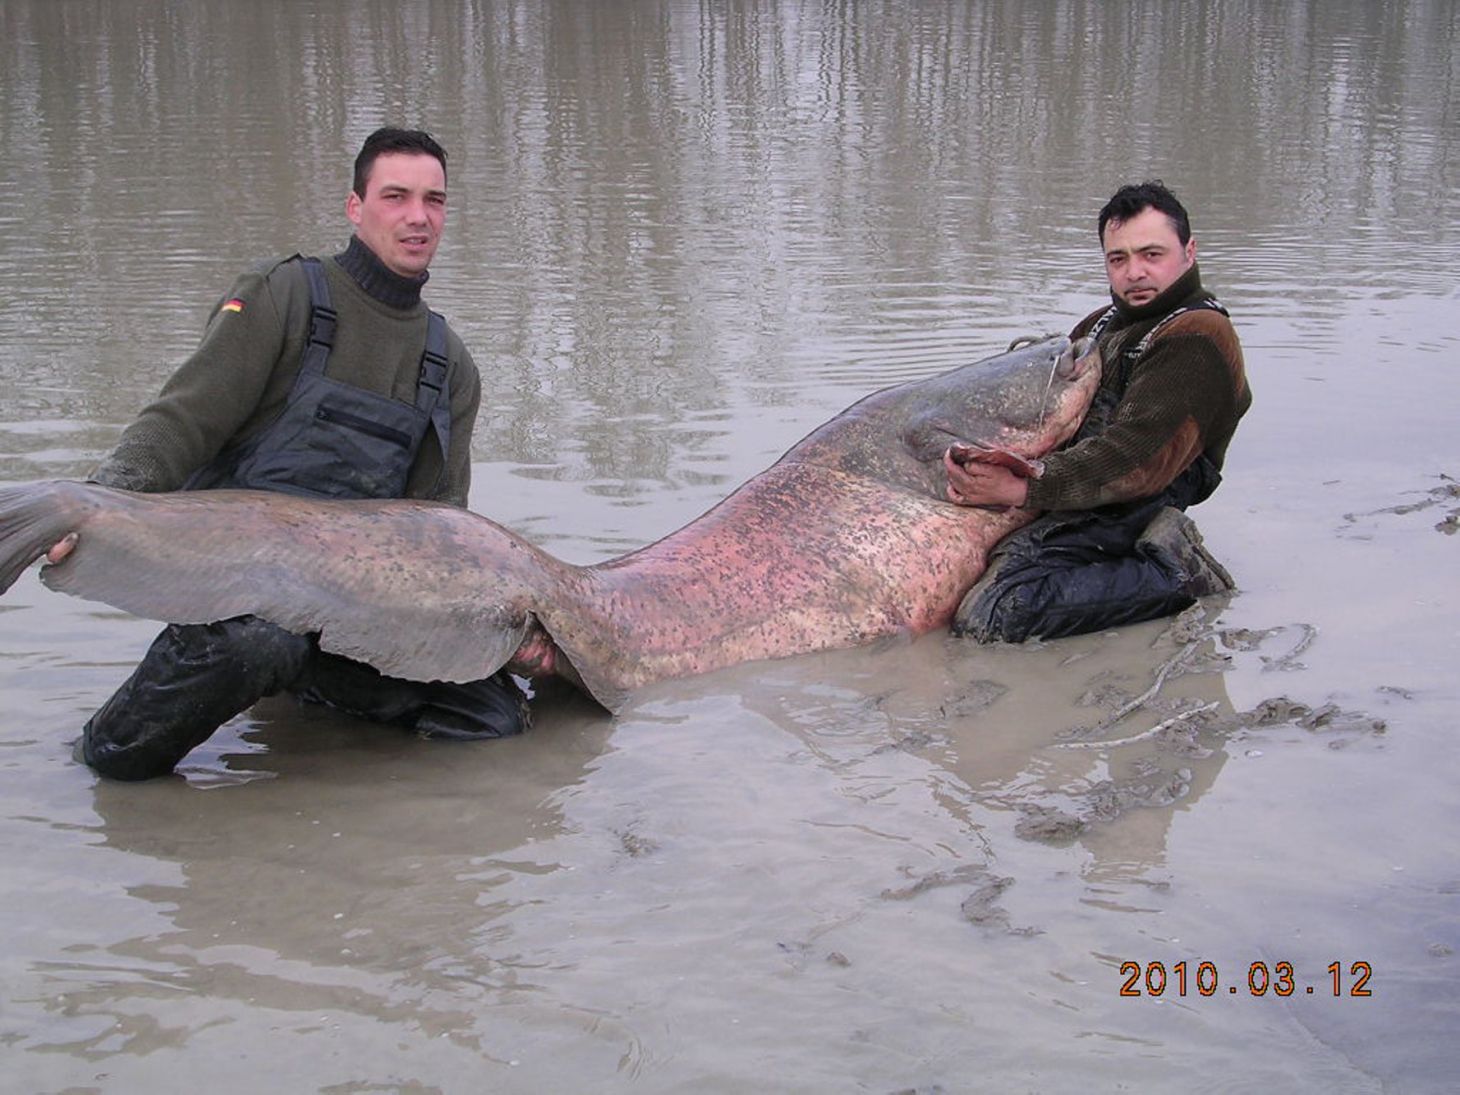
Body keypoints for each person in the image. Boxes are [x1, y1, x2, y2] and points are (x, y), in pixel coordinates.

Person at [59, 127, 529, 780]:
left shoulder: (449, 366)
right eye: (395, 196)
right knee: (258, 645)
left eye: (434, 200)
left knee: (496, 718)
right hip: (240, 593)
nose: (418, 217)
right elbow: (179, 422)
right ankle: (108, 743)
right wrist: (95, 504)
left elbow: (440, 530)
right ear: (355, 206)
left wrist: (494, 633)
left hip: (355, 612)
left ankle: (320, 725)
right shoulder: (284, 296)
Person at [945, 180, 1252, 642]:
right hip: (1082, 483)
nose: (1134, 273)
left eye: (1152, 254)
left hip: (1141, 495)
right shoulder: (1103, 322)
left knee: (995, 613)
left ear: (1189, 252)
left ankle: (1173, 573)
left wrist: (1026, 486)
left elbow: (1138, 459)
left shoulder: (1196, 335)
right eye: (1118, 258)